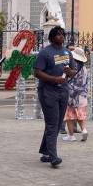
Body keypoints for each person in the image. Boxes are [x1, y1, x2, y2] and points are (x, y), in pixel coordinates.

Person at [34, 26, 75, 167]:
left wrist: (69, 71)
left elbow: (73, 71)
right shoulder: (45, 53)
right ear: (52, 37)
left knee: (57, 124)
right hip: (48, 91)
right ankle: (53, 157)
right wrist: (53, 79)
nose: (61, 37)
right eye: (58, 35)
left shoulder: (67, 52)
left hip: (63, 91)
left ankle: (46, 151)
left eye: (63, 34)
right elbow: (37, 72)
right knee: (52, 124)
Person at [63, 46, 89, 142]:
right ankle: (84, 130)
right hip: (82, 95)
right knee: (80, 114)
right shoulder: (84, 68)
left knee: (69, 115)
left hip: (71, 94)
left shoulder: (72, 66)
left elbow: (58, 61)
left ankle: (71, 136)